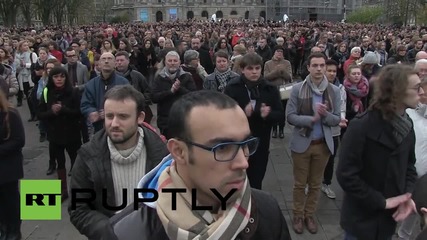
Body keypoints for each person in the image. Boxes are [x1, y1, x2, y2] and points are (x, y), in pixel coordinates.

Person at [111, 90, 291, 240]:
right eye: (223, 148)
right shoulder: (125, 233)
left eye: (245, 144)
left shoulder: (267, 211)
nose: (243, 162)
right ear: (179, 151)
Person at [69, 85, 169, 240]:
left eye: (123, 116)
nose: (114, 123)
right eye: (109, 116)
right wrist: (110, 232)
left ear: (140, 117)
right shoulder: (87, 155)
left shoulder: (162, 156)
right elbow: (78, 209)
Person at [336, 64, 422, 240]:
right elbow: (346, 175)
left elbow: (409, 167)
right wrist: (381, 202)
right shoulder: (361, 126)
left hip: (387, 221)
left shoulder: (406, 126)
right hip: (361, 221)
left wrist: (406, 196)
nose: (421, 92)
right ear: (397, 91)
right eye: (416, 87)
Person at [286, 52, 341, 234]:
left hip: (322, 145)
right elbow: (290, 117)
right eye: (315, 65)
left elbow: (336, 120)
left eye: (322, 65)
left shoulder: (333, 91)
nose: (319, 69)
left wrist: (324, 115)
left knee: (316, 184)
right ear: (308, 67)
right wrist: (312, 118)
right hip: (302, 144)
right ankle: (297, 215)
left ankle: (309, 215)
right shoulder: (297, 89)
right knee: (300, 184)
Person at [225, 52, 284, 190]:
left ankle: (254, 207)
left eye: (257, 68)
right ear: (243, 69)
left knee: (256, 181)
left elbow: (280, 115)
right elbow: (224, 115)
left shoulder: (269, 88)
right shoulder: (233, 87)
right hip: (237, 142)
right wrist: (242, 114)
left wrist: (267, 115)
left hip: (260, 141)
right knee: (236, 181)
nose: (254, 72)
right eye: (250, 69)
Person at [38, 67, 82, 200]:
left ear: (66, 78)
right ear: (51, 78)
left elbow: (79, 113)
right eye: (56, 77)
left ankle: (77, 190)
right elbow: (40, 113)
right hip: (55, 134)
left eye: (62, 77)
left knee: (76, 162)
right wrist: (51, 112)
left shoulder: (73, 92)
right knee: (60, 163)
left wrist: (63, 109)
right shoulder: (47, 92)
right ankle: (63, 191)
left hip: (72, 134)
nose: (59, 79)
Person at [397, 78, 427, 239]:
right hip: (405, 170)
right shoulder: (408, 113)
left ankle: (404, 234)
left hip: (424, 175)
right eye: (423, 92)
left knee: (418, 206)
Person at [80, 52, 129, 133]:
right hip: (98, 128)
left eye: (109, 59)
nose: (106, 61)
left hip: (119, 126)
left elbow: (129, 103)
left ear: (115, 64)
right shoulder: (91, 84)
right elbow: (85, 104)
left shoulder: (123, 83)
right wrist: (91, 112)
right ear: (99, 64)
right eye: (103, 59)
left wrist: (110, 112)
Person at [151, 51, 196, 139]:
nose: (172, 63)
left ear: (179, 63)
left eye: (175, 61)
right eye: (170, 61)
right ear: (165, 62)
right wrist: (170, 92)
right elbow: (154, 97)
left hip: (183, 119)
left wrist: (179, 89)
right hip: (165, 121)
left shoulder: (187, 76)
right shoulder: (159, 77)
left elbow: (194, 96)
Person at [0, 88, 25, 240]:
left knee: (11, 200)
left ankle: (14, 231)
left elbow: (19, 140)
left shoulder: (10, 114)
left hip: (9, 168)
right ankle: (4, 229)